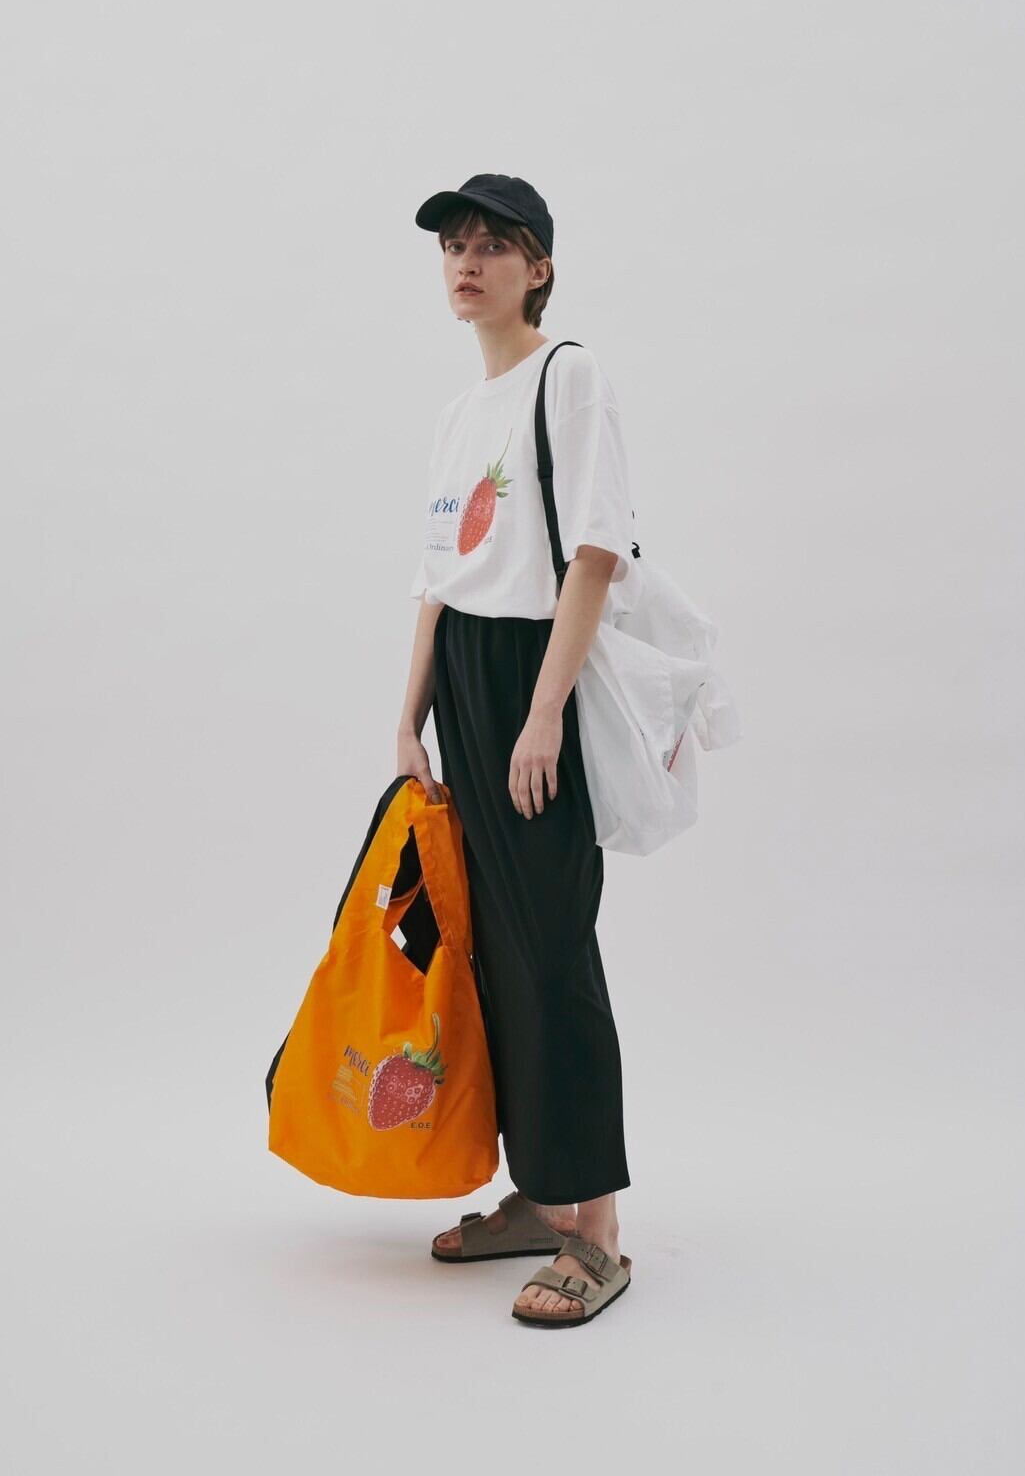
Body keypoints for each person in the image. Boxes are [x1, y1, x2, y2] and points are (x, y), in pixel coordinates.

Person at [396, 173, 634, 1328]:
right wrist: (407, 717)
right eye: (453, 243)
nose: (466, 260)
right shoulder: (460, 411)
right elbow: (438, 577)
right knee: (493, 952)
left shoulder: (565, 375)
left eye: (493, 244)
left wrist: (545, 711)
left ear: (537, 268)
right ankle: (538, 1194)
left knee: (550, 948)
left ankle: (598, 1232)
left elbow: (594, 551)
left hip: (535, 678)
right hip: (464, 684)